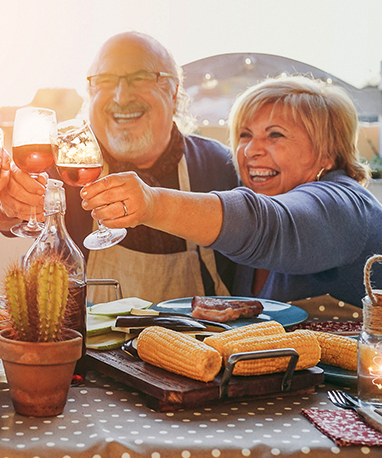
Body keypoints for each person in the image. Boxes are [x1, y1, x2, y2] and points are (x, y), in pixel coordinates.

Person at [81, 74, 382, 307]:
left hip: (357, 387)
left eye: (275, 135)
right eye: (244, 135)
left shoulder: (346, 204)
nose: (251, 150)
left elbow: (267, 224)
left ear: (327, 152)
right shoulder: (262, 194)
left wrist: (152, 202)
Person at [63, 32, 239, 302]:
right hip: (92, 345)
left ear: (174, 90)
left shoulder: (219, 165)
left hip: (198, 342)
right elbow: (7, 217)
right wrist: (1, 208)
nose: (122, 97)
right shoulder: (71, 163)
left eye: (140, 78)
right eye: (106, 81)